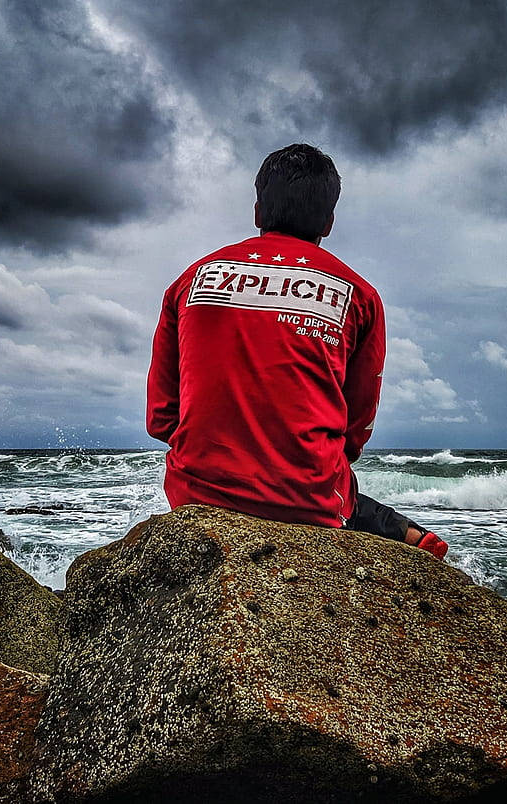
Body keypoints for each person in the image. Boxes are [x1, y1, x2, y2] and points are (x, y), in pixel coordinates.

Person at [146, 142, 448, 558]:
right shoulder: (360, 295)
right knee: (384, 524)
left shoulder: (190, 280)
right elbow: (356, 429)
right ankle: (421, 550)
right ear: (329, 222)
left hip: (197, 492)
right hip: (307, 498)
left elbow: (161, 417)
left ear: (257, 212)